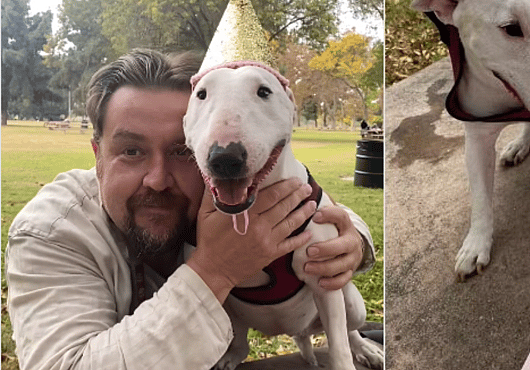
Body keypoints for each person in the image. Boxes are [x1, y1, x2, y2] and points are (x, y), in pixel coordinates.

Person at [6, 49, 376, 370]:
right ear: (97, 156)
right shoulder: (50, 233)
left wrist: (354, 240)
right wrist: (215, 270)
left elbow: (302, 196)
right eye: (131, 151)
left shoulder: (223, 189)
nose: (157, 179)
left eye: (182, 151)